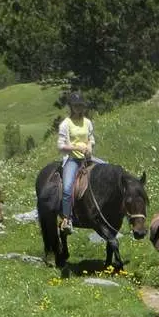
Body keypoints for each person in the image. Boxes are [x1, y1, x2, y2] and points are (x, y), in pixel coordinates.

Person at [56, 92, 94, 232]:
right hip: (72, 159)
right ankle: (66, 219)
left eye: (81, 106)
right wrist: (76, 147)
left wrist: (89, 146)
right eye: (76, 106)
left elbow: (90, 138)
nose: (79, 108)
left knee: (108, 172)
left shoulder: (88, 122)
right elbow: (61, 145)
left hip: (87, 159)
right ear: (71, 107)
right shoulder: (66, 124)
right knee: (67, 188)